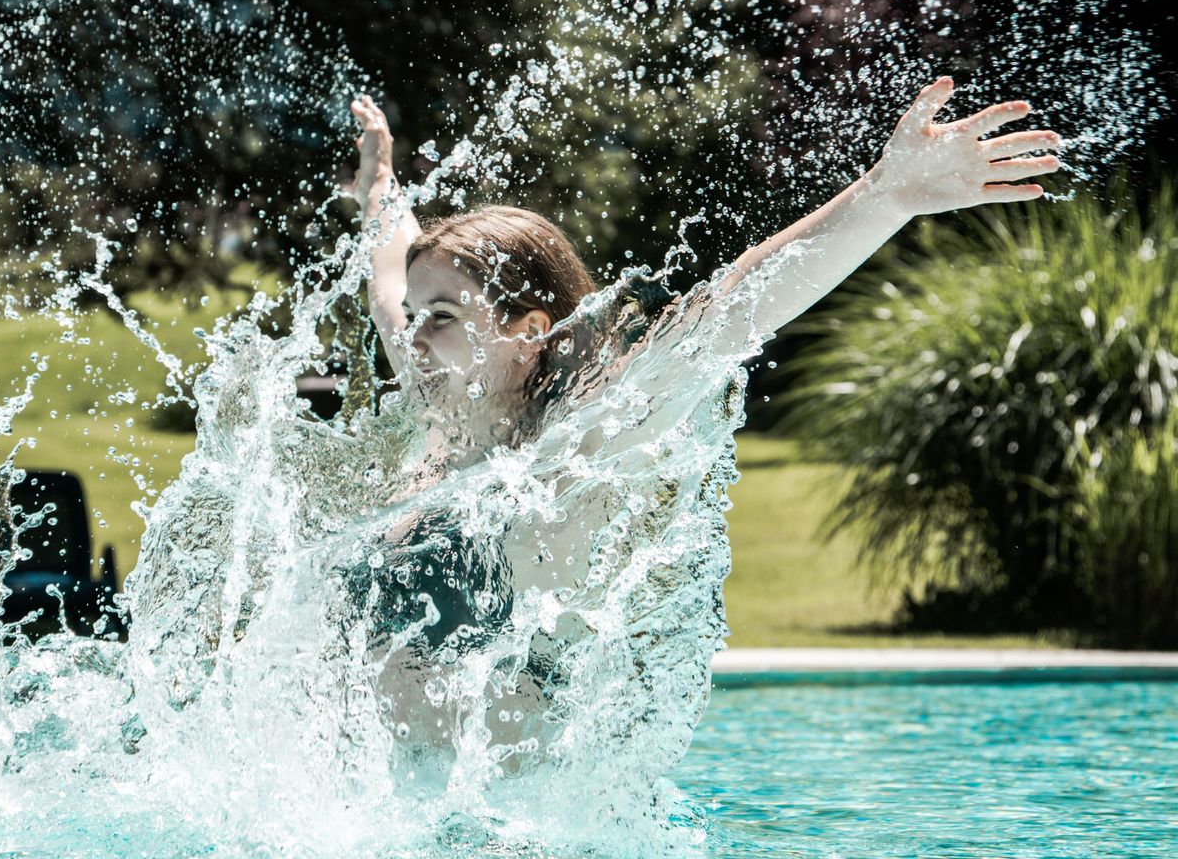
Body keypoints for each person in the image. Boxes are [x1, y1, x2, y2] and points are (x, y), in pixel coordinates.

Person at [337, 80, 1061, 753]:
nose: (414, 336)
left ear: (527, 331)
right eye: (418, 318)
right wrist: (380, 190)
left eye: (440, 317)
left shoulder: (578, 445)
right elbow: (387, 279)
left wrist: (886, 194)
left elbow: (732, 310)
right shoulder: (449, 412)